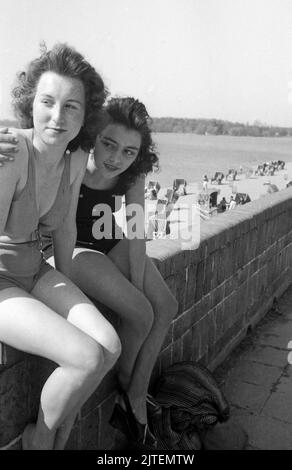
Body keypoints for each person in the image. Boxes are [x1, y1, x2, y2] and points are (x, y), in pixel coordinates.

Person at [0, 97, 178, 449]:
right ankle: (131, 395)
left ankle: (135, 391)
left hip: (105, 236)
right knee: (141, 314)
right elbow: (32, 143)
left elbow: (137, 229)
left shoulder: (133, 172)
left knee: (165, 307)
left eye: (129, 152)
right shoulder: (73, 156)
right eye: (109, 144)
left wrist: (138, 284)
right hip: (67, 246)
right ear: (94, 135)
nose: (116, 158)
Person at [0, 43, 122, 450]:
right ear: (29, 103)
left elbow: (66, 228)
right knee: (85, 357)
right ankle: (40, 441)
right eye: (48, 102)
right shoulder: (13, 153)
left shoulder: (74, 158)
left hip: (34, 270)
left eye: (72, 106)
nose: (57, 116)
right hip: (1, 284)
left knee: (109, 346)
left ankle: (57, 434)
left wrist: (68, 294)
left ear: (85, 115)